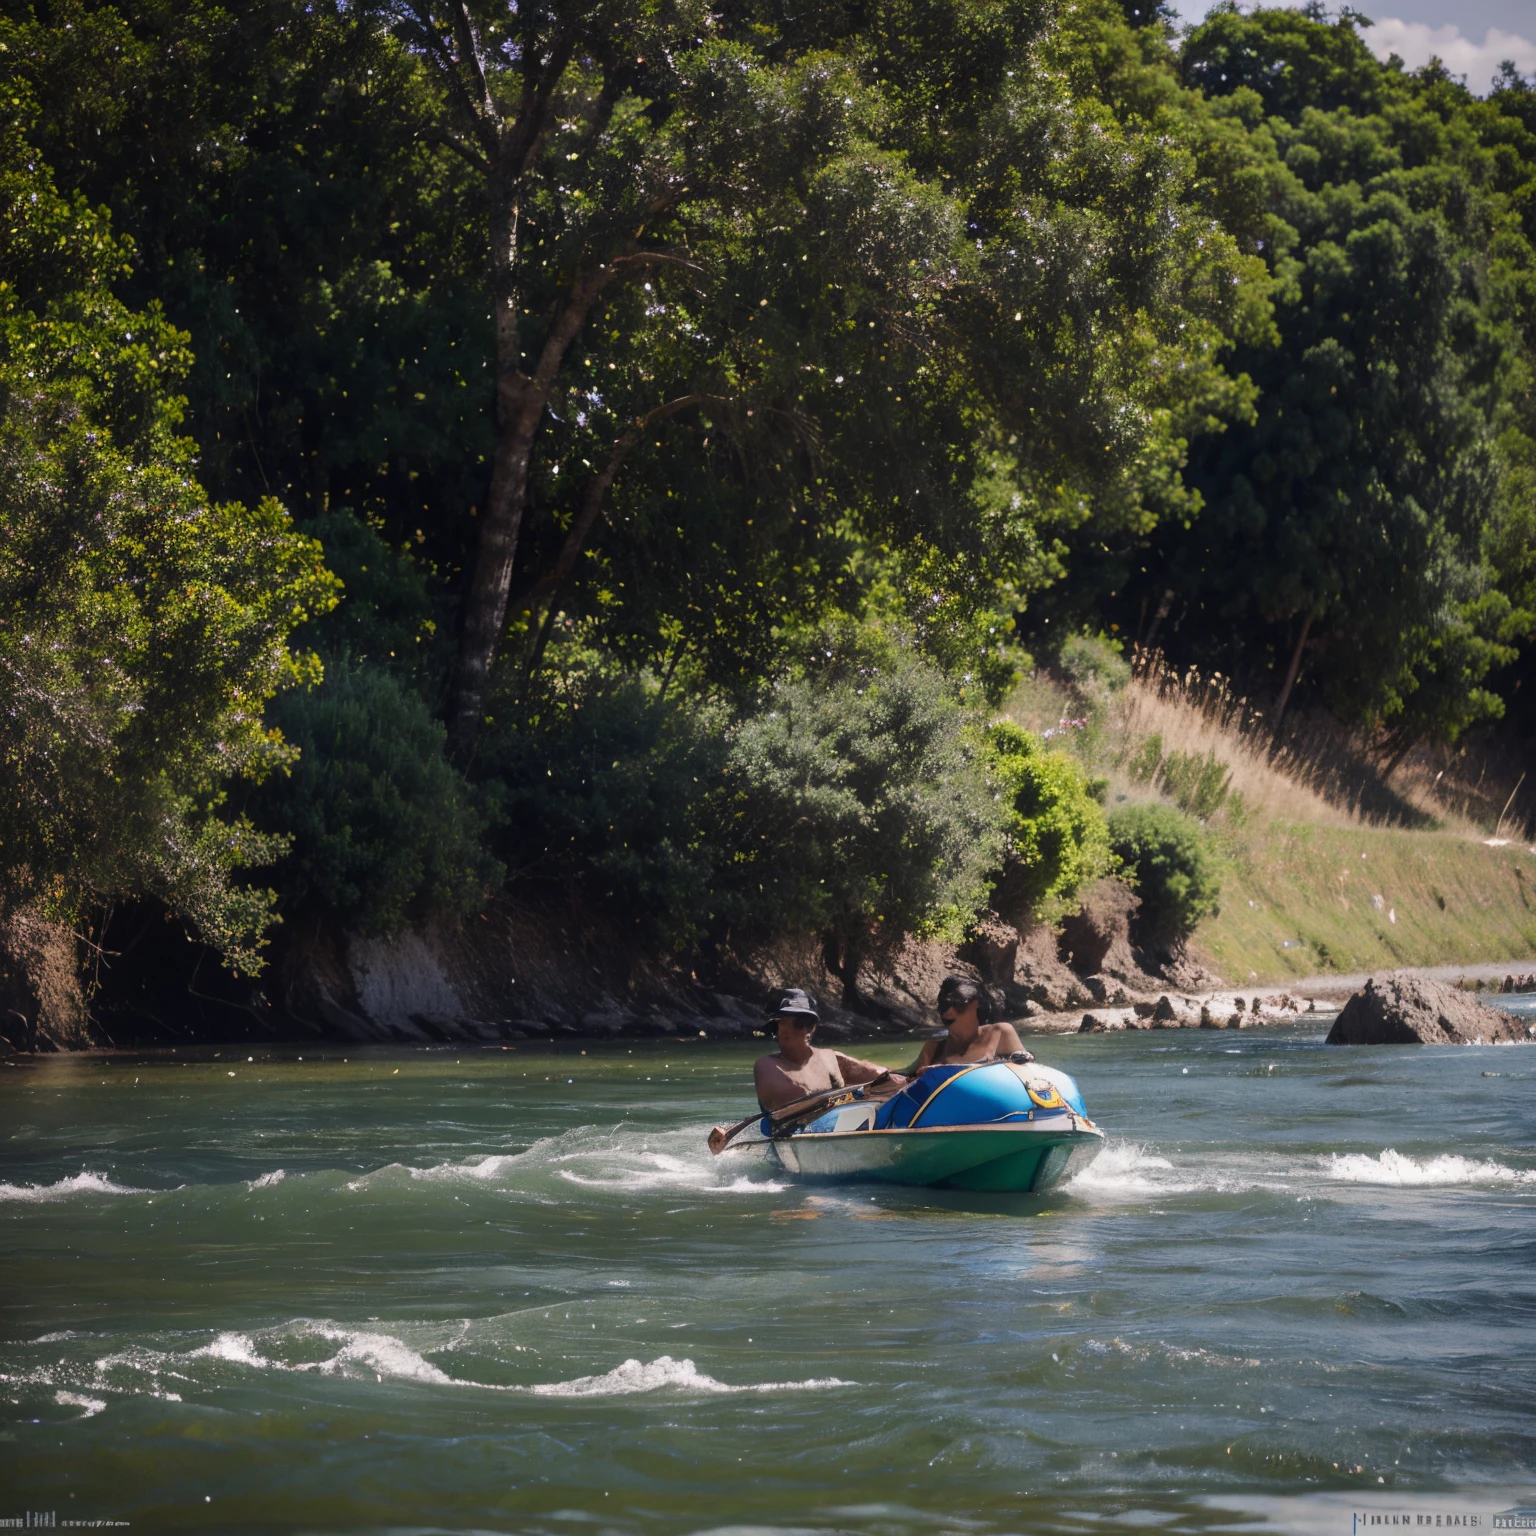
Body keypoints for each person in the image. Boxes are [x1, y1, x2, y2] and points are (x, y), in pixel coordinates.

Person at [707, 989, 905, 1153]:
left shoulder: (831, 1058)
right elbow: (789, 1103)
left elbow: (884, 1076)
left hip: (840, 1130)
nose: (787, 1029)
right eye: (782, 1021)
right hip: (797, 1138)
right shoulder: (766, 1065)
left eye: (797, 1022)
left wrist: (911, 1075)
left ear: (810, 1027)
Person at [906, 975, 1031, 1070]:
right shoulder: (933, 1048)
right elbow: (908, 1077)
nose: (949, 1011)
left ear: (979, 1008)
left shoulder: (999, 1033)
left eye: (958, 1004)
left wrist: (1021, 1056)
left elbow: (1027, 1069)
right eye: (944, 1004)